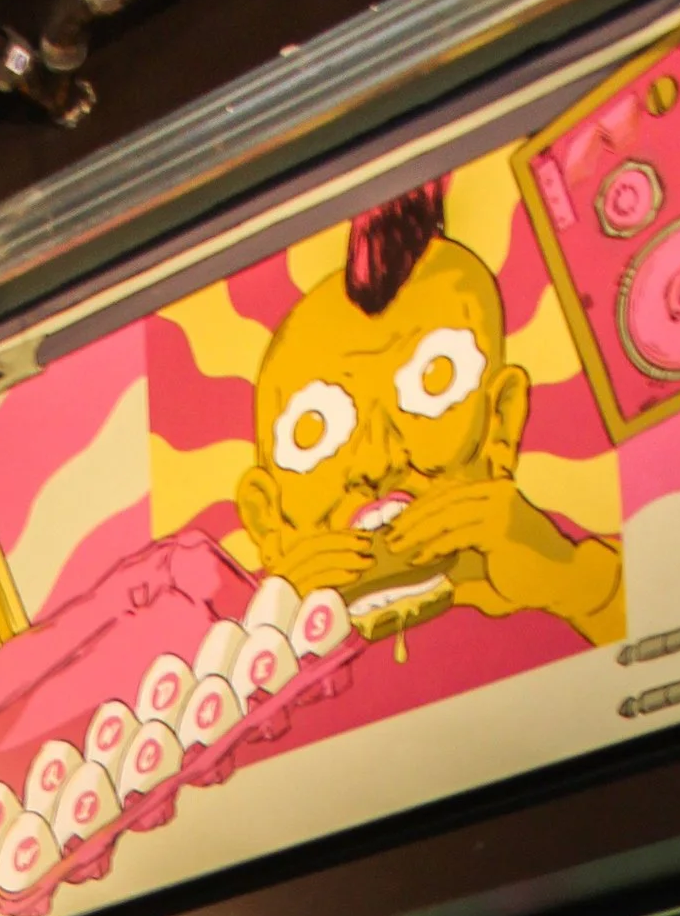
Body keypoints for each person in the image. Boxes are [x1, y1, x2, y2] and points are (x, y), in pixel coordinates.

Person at [238, 178, 625, 650]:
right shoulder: (253, 665)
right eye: (314, 433)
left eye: (434, 384)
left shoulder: (563, 593)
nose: (377, 462)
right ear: (266, 519)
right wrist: (273, 643)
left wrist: (572, 582)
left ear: (501, 422)